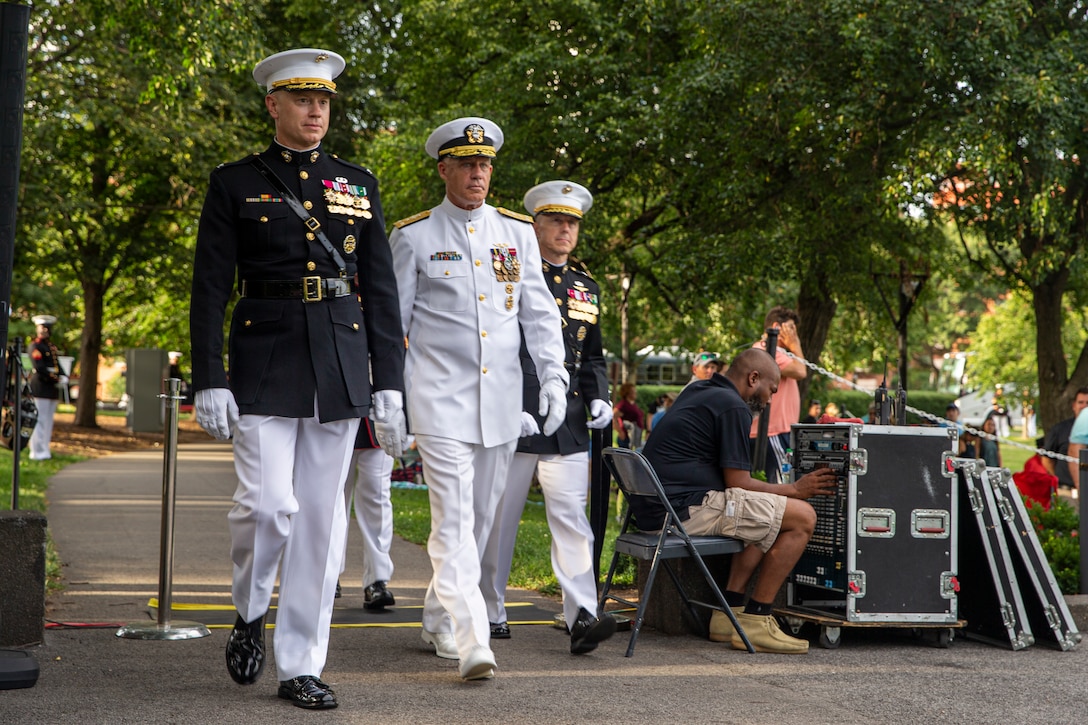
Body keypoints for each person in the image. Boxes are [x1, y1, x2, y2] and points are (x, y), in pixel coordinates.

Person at [189, 48, 405, 710]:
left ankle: (301, 663)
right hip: (263, 358)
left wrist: (390, 382)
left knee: (320, 520)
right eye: (303, 99)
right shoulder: (234, 182)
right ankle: (251, 607)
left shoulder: (357, 183)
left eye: (325, 101)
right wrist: (209, 377)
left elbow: (381, 290)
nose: (317, 110)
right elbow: (209, 287)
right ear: (272, 105)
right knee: (267, 505)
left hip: (338, 362)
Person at [388, 117, 569, 680]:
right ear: (443, 168)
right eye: (466, 163)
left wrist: (555, 378)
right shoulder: (414, 235)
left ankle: (438, 619)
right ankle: (471, 639)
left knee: (477, 522)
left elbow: (539, 314)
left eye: (485, 164)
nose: (477, 173)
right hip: (438, 399)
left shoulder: (515, 232)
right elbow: (392, 326)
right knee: (452, 520)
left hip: (499, 404)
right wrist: (390, 397)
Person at [483, 180, 616, 653]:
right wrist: (508, 401)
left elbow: (593, 356)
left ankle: (582, 614)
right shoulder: (507, 272)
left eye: (572, 222)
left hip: (569, 419)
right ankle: (489, 607)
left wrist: (600, 395)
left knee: (571, 518)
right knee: (501, 519)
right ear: (534, 225)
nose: (565, 228)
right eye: (556, 220)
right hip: (515, 412)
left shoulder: (586, 287)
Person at [640, 348, 838, 653]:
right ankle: (758, 618)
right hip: (682, 511)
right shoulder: (733, 406)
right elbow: (739, 483)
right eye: (771, 390)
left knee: (763, 513)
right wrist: (796, 490)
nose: (771, 400)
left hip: (658, 510)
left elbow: (737, 488)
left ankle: (727, 615)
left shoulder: (700, 390)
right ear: (753, 378)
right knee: (803, 517)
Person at [341, 417, 397, 609]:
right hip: (336, 408)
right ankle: (328, 571)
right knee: (333, 497)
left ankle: (377, 579)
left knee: (377, 493)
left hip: (377, 414)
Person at [749, 307, 806, 482]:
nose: (794, 334)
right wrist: (796, 346)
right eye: (791, 328)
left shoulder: (782, 353)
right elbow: (800, 371)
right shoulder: (767, 349)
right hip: (771, 432)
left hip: (781, 430)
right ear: (776, 327)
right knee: (780, 483)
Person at [28, 314, 65, 460]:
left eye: (46, 328)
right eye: (41, 328)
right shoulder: (35, 346)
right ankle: (36, 451)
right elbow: (40, 368)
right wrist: (56, 378)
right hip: (41, 387)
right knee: (40, 420)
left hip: (51, 389)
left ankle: (45, 449)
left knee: (48, 421)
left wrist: (63, 375)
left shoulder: (50, 347)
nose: (44, 331)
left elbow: (57, 365)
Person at [1041, 387, 1088, 491]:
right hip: (1067, 491)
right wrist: (1058, 478)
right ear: (1074, 406)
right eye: (1081, 402)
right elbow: (1047, 458)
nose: (1084, 406)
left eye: (1087, 403)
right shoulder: (1059, 429)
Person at [613, 381, 645, 449]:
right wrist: (620, 431)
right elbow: (613, 417)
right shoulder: (623, 405)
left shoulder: (632, 404)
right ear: (628, 393)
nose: (635, 392)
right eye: (633, 391)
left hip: (634, 435)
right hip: (626, 435)